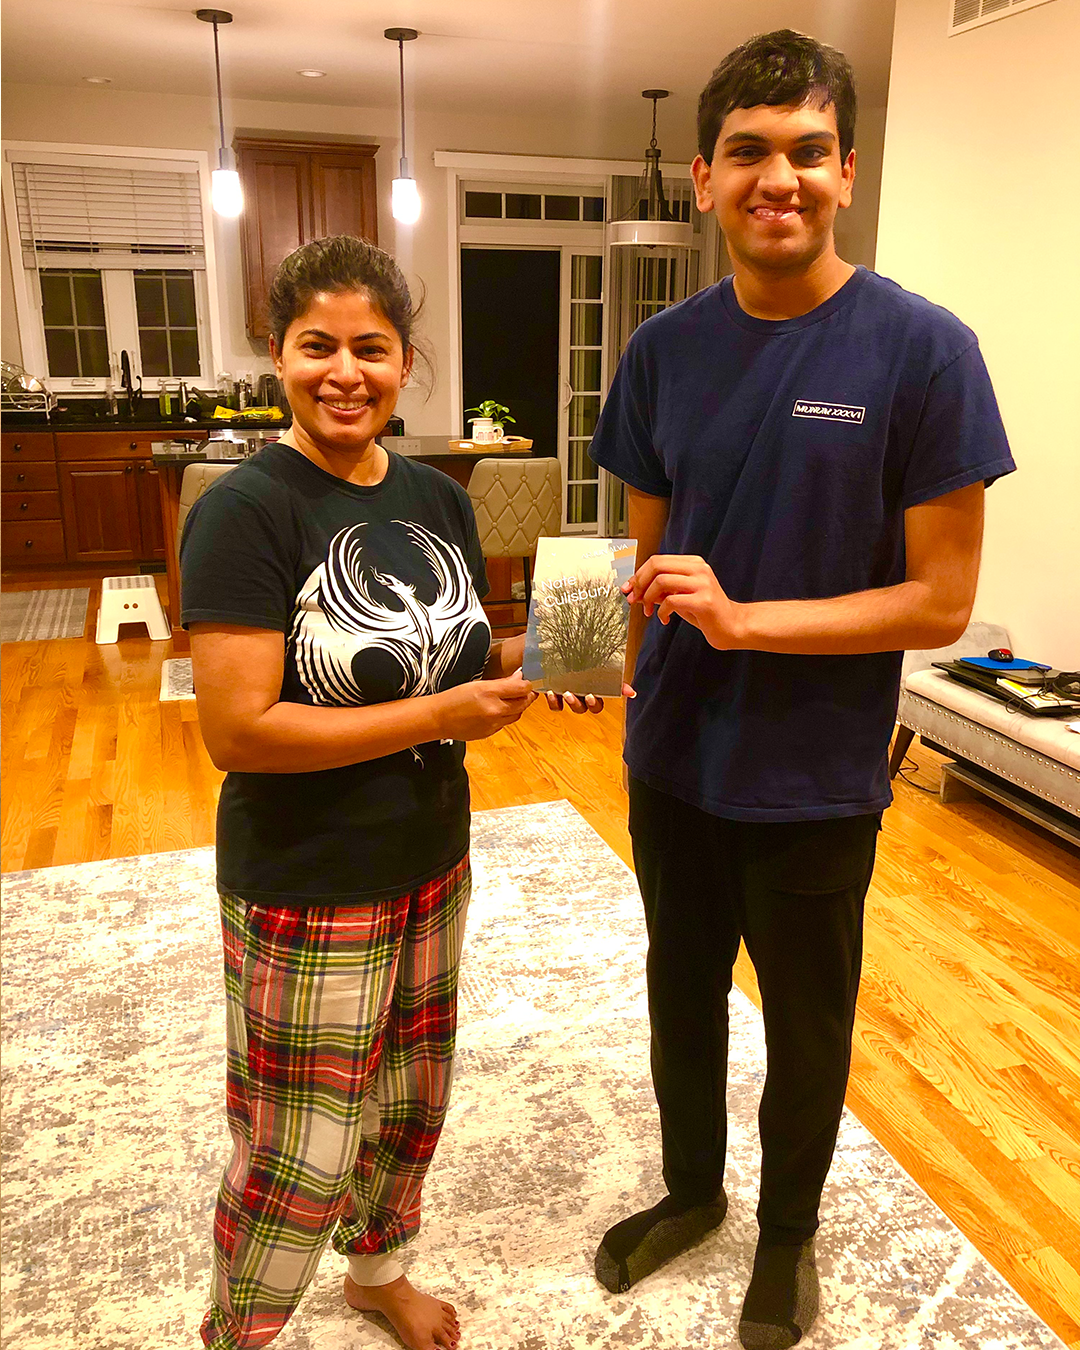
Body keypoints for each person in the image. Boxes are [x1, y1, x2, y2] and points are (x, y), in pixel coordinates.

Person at [588, 30, 1015, 1350]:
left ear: (845, 172)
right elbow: (645, 564)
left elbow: (940, 602)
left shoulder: (924, 351)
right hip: (672, 760)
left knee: (808, 1021)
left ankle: (786, 1236)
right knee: (680, 995)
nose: (780, 177)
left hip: (815, 772)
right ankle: (693, 1194)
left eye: (808, 151)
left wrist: (745, 622)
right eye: (750, 152)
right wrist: (588, 660)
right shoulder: (662, 350)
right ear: (704, 179)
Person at [182, 235, 598, 1350]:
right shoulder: (245, 510)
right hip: (306, 875)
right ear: (278, 355)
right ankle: (238, 1334)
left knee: (408, 1105)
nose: (344, 372)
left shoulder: (434, 497)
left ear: (406, 361)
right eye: (316, 346)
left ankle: (376, 1274)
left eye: (370, 348)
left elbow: (451, 657)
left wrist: (550, 660)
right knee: (297, 1146)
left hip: (429, 854)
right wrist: (440, 715)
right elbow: (239, 732)